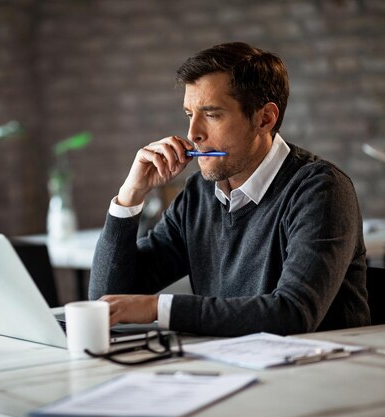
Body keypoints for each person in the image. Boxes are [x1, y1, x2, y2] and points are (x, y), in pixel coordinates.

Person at [88, 42, 370, 336]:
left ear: (265, 118)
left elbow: (293, 313)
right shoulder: (198, 195)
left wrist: (157, 308)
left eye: (212, 114)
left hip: (322, 373)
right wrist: (129, 196)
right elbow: (106, 300)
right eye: (189, 114)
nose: (193, 133)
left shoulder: (321, 189)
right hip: (233, 369)